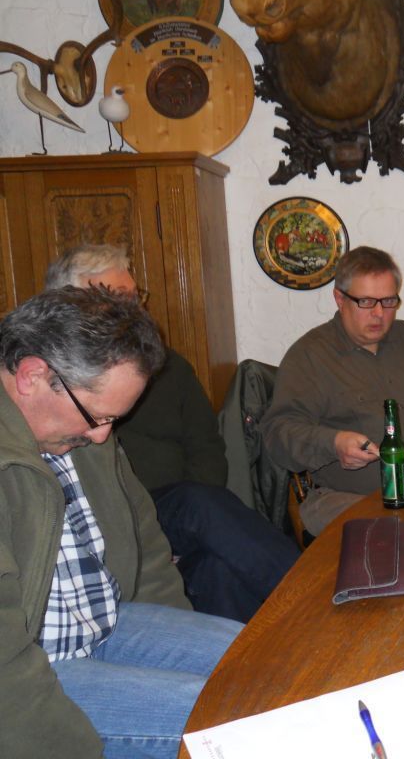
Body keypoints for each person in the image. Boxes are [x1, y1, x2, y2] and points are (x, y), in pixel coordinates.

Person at [0, 286, 243, 759]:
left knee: (265, 662)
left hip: (108, 622)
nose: (102, 436)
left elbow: (143, 539)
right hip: (32, 669)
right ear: (32, 375)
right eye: (97, 417)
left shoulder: (80, 428)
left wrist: (175, 633)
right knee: (231, 718)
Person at [45, 245, 299, 623]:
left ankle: (273, 649)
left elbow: (207, 450)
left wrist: (181, 533)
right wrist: (152, 536)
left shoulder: (167, 365)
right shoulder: (58, 384)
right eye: (119, 300)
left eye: (135, 298)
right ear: (71, 305)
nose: (135, 311)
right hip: (118, 518)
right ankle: (311, 599)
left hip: (183, 512)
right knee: (201, 515)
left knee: (216, 559)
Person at [262, 246, 404, 536]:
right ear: (340, 299)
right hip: (345, 498)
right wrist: (334, 443)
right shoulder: (310, 356)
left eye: (388, 301)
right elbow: (277, 433)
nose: (379, 314)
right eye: (366, 302)